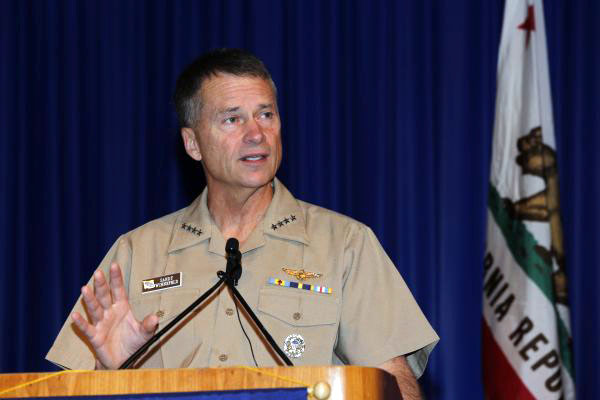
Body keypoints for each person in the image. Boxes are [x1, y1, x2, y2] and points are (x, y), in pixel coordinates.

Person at [46, 48, 439, 399]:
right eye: (232, 119)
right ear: (192, 143)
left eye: (266, 115)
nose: (256, 134)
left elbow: (396, 385)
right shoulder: (136, 252)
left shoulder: (345, 244)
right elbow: (65, 392)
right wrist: (107, 371)